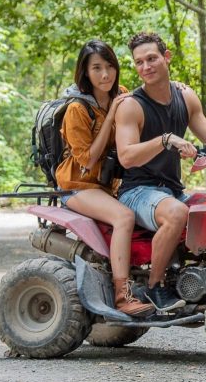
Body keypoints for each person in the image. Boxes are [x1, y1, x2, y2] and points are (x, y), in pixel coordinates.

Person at [115, 32, 206, 313]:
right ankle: (154, 287)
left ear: (166, 58)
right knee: (177, 212)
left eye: (152, 58)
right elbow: (127, 157)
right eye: (139, 62)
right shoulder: (132, 105)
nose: (146, 67)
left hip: (172, 190)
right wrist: (165, 140)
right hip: (137, 191)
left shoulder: (185, 96)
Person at [56, 40, 153, 318]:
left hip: (109, 184)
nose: (105, 75)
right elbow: (87, 159)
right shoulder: (77, 109)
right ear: (85, 73)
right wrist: (111, 114)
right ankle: (123, 296)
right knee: (124, 217)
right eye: (96, 68)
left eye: (109, 66)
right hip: (79, 185)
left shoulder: (121, 93)